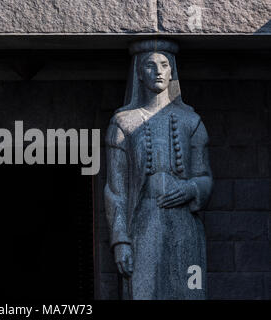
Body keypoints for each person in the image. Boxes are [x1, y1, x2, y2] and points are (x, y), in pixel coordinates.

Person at [104, 39, 213, 299]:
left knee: (190, 291)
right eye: (150, 66)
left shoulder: (191, 121)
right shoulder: (123, 124)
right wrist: (120, 240)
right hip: (143, 221)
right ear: (139, 74)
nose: (159, 71)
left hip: (184, 224)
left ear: (172, 71)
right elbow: (115, 189)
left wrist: (191, 188)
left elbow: (205, 176)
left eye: (165, 65)